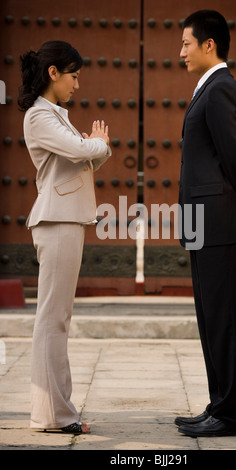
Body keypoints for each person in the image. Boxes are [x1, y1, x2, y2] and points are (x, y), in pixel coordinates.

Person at [176, 10, 236, 437]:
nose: (180, 51)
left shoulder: (221, 88)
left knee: (225, 320)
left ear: (208, 44)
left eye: (186, 43)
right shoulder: (207, 89)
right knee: (210, 318)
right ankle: (219, 405)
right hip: (203, 222)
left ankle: (233, 415)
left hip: (217, 221)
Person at [18, 40, 111, 434]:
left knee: (57, 318)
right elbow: (80, 149)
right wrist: (98, 143)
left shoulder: (55, 114)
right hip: (56, 221)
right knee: (52, 320)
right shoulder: (41, 117)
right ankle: (54, 415)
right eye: (73, 75)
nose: (77, 83)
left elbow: (88, 154)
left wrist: (97, 146)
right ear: (53, 73)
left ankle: (55, 411)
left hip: (67, 221)